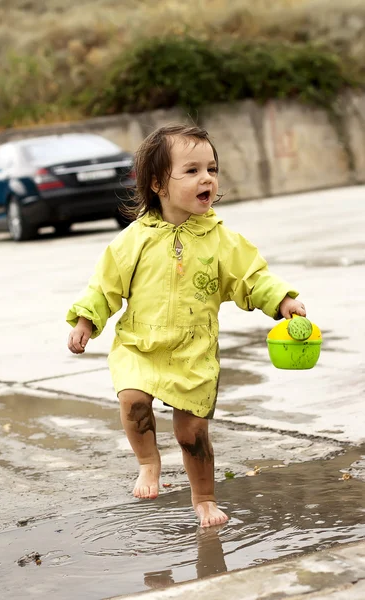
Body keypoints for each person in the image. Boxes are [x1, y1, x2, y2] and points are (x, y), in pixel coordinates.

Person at [66, 124, 306, 528]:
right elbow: (105, 285)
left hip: (194, 350)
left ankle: (205, 498)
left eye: (211, 169)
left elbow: (252, 276)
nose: (207, 178)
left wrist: (280, 298)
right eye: (192, 170)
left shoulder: (221, 240)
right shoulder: (133, 240)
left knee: (191, 431)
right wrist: (87, 320)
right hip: (139, 342)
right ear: (158, 183)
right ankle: (147, 462)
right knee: (133, 400)